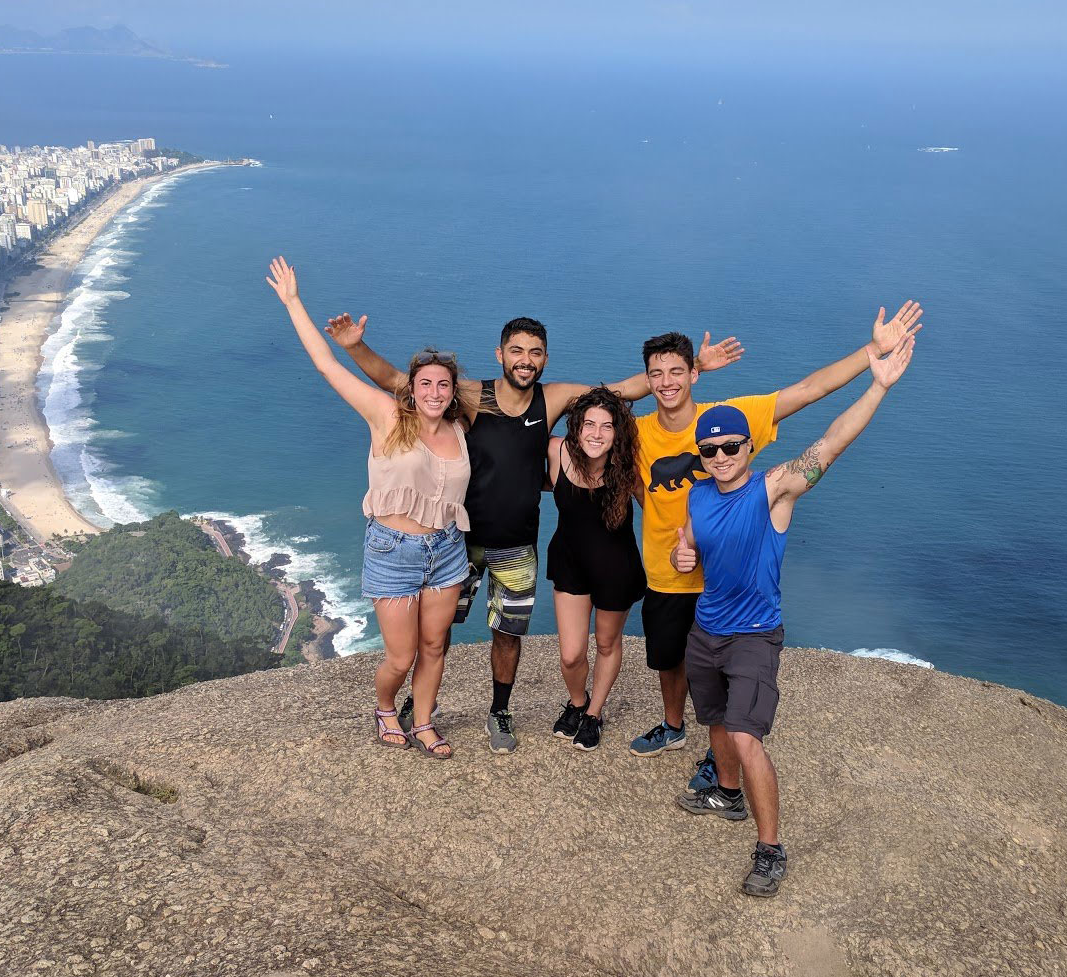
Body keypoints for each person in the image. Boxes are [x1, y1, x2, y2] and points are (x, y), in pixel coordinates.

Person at [324, 311, 740, 752]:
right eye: (517, 351)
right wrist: (353, 346)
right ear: (500, 354)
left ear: (544, 359)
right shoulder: (469, 395)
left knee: (508, 634)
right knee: (437, 630)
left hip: (518, 544)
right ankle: (418, 704)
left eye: (535, 353)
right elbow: (397, 381)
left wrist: (692, 373)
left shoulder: (553, 398)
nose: (526, 360)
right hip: (457, 542)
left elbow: (619, 392)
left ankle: (499, 710)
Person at [629, 301, 923, 786]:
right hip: (667, 570)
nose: (666, 383)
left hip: (728, 586)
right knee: (669, 659)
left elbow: (808, 392)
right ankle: (673, 725)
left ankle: (716, 757)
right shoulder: (637, 433)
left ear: (694, 375)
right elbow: (596, 417)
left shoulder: (728, 419)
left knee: (718, 675)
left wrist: (873, 351)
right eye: (655, 375)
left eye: (677, 372)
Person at [672, 331, 917, 897]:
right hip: (706, 630)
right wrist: (681, 554)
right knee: (713, 719)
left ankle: (770, 849)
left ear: (748, 449)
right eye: (710, 451)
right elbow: (689, 548)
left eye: (732, 447)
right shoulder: (699, 494)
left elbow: (828, 445)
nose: (721, 457)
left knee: (746, 734)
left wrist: (877, 388)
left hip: (754, 636)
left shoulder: (773, 490)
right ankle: (726, 794)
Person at [266, 256, 469, 759]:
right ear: (411, 388)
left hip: (447, 549)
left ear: (452, 391)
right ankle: (384, 705)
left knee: (435, 647)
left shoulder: (461, 433)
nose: (435, 392)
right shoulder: (385, 416)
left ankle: (423, 720)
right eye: (425, 383)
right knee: (400, 657)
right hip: (393, 549)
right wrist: (294, 303)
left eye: (444, 385)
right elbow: (327, 365)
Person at [545, 386, 646, 751]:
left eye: (606, 426)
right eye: (589, 424)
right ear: (577, 426)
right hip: (570, 563)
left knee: (606, 643)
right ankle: (576, 703)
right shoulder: (556, 451)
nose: (597, 433)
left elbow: (659, 510)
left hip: (616, 569)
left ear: (617, 433)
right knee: (571, 654)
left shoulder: (628, 470)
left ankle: (594, 714)